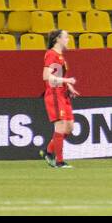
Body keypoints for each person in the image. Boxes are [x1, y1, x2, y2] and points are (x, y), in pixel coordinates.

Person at [40, 29, 78, 169]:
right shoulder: (51, 54)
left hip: (63, 94)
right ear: (57, 39)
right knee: (61, 126)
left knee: (69, 127)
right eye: (66, 37)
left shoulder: (60, 56)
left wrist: (68, 85)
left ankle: (48, 151)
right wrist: (66, 79)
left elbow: (57, 74)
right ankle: (59, 161)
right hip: (55, 94)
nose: (68, 40)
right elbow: (46, 76)